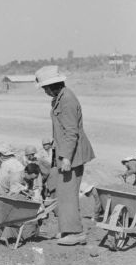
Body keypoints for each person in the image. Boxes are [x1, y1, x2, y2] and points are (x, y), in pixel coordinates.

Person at [35, 65, 95, 246]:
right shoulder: (59, 98)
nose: (44, 91)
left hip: (72, 155)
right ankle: (68, 230)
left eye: (45, 88)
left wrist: (67, 157)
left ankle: (76, 233)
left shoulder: (67, 99)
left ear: (52, 85)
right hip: (65, 153)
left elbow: (71, 132)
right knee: (64, 193)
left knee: (68, 193)